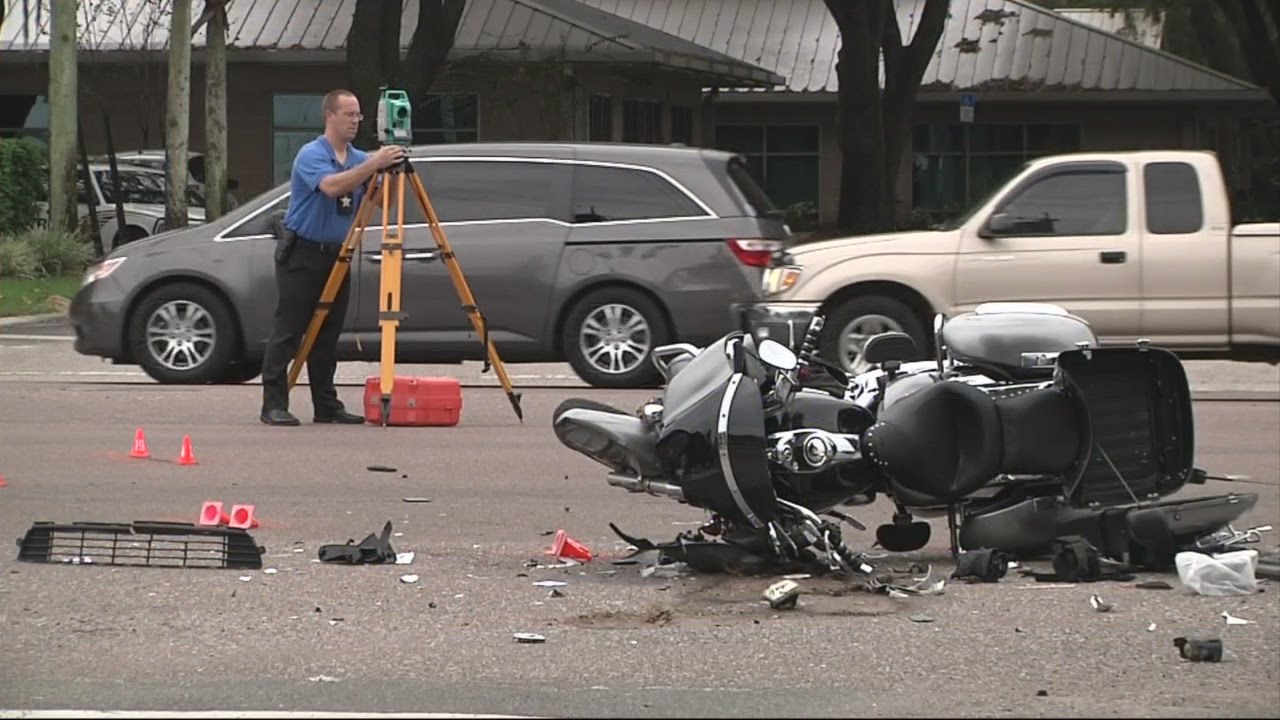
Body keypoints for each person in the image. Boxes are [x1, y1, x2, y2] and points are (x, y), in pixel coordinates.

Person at [259, 89, 406, 426]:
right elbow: (331, 187)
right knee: (289, 329)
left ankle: (326, 404)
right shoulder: (312, 154)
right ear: (330, 116)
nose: (355, 121)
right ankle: (273, 404)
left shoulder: (358, 158)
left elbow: (383, 203)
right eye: (348, 114)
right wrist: (375, 163)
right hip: (303, 253)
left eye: (358, 115)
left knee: (328, 334)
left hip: (337, 255)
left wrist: (390, 173)